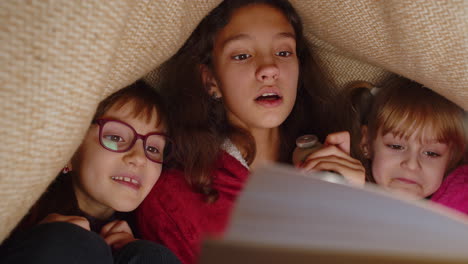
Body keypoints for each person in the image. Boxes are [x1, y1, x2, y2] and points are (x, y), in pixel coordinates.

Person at [136, 1, 365, 263]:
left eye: (283, 52)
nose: (270, 68)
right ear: (211, 80)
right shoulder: (172, 200)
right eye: (242, 55)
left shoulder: (343, 162)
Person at [0, 81, 181, 264]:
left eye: (153, 148)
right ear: (71, 149)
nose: (140, 157)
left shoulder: (145, 232)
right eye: (116, 137)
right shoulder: (14, 208)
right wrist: (44, 245)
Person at [350, 77, 467, 209]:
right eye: (396, 146)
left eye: (431, 153)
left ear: (451, 158)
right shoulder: (346, 195)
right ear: (367, 142)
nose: (412, 165)